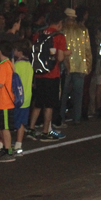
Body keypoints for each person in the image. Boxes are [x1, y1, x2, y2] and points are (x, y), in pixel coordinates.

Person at [29, 11, 66, 141]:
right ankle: (46, 131)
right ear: (59, 23)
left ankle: (31, 128)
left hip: (39, 73)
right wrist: (67, 53)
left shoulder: (38, 34)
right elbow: (60, 57)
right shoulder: (59, 36)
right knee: (49, 104)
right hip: (52, 73)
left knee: (38, 103)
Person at [60, 8, 92, 124]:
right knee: (78, 94)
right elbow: (88, 50)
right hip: (80, 66)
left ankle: (61, 118)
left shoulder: (62, 30)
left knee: (63, 94)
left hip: (65, 67)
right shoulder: (83, 30)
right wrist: (88, 65)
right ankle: (76, 118)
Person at [12, 39, 34, 156]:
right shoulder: (29, 64)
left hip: (16, 98)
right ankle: (18, 144)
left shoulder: (16, 65)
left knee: (11, 121)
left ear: (19, 52)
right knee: (21, 123)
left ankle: (6, 143)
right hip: (26, 98)